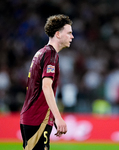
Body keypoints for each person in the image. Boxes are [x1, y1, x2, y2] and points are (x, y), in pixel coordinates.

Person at [20, 14, 74, 150]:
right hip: (37, 118)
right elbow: (46, 86)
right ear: (58, 34)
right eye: (69, 33)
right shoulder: (51, 54)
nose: (72, 37)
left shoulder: (41, 52)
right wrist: (58, 116)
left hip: (33, 116)